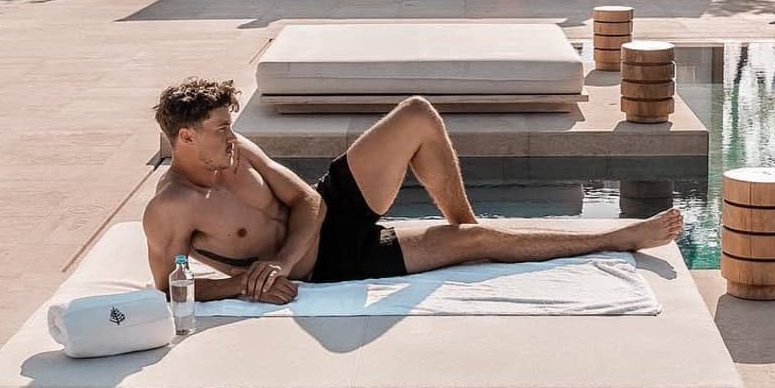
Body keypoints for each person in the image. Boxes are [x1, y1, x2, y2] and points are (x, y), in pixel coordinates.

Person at [143, 77, 684, 305]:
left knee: (417, 114)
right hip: (334, 261)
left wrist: (280, 261)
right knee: (474, 246)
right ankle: (618, 237)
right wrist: (245, 285)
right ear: (185, 138)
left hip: (327, 213)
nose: (232, 137)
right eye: (220, 130)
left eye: (231, 125)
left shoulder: (238, 152)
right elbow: (170, 291)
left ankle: (466, 224)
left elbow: (306, 199)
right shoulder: (171, 207)